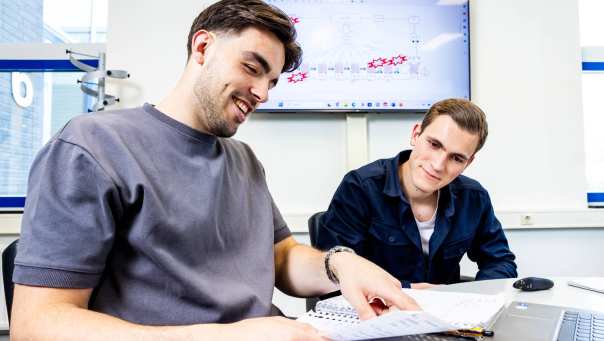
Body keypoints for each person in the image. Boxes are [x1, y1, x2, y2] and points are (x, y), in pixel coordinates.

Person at [10, 1, 419, 340]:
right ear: (202, 47)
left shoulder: (244, 160)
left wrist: (340, 264)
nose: (261, 93)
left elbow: (281, 258)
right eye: (252, 67)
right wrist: (232, 336)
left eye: (272, 82)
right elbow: (38, 323)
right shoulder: (93, 146)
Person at [315, 98, 518, 289]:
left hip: (445, 319)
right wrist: (406, 290)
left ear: (468, 163)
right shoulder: (360, 188)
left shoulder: (473, 197)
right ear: (415, 134)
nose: (438, 165)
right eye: (434, 144)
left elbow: (500, 261)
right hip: (374, 315)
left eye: (456, 158)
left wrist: (476, 299)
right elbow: (332, 272)